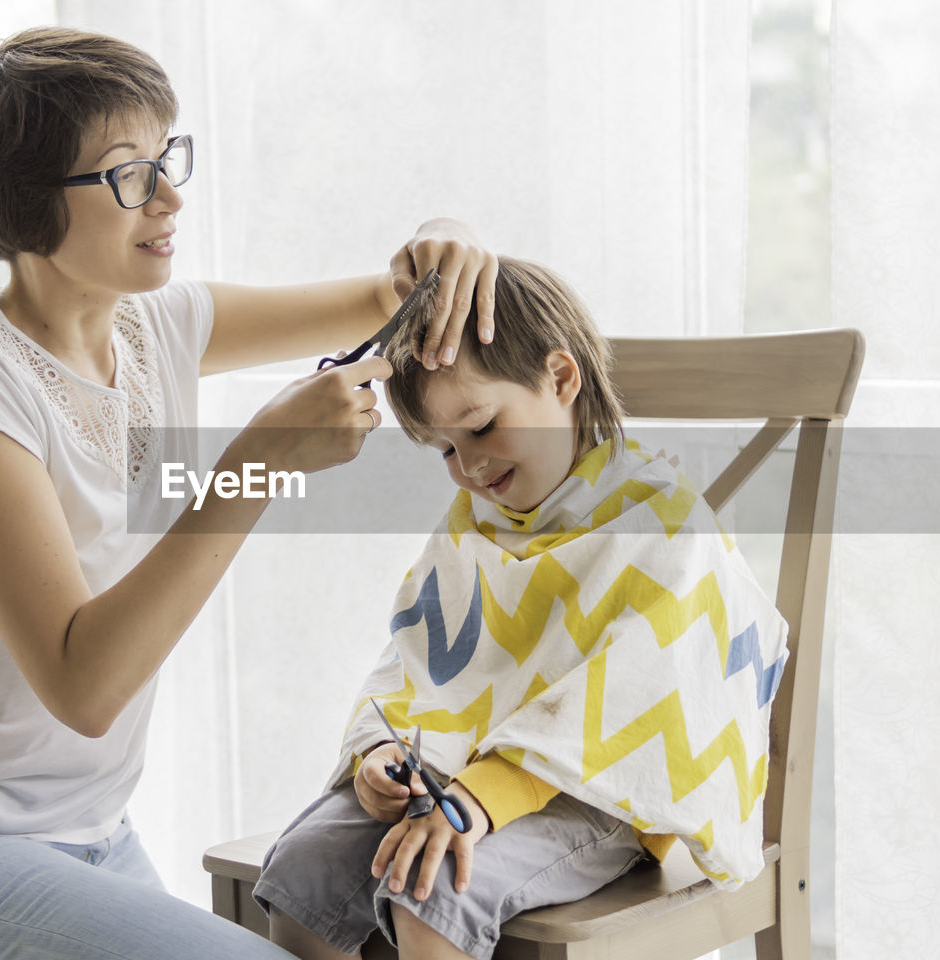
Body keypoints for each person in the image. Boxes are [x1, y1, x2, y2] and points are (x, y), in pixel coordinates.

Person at [0, 26, 500, 960]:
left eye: (165, 159)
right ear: (29, 209)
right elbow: (85, 685)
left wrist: (456, 240)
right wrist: (257, 462)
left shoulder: (158, 328)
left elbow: (395, 292)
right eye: (127, 175)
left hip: (96, 844)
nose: (170, 196)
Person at [254, 257, 790, 960]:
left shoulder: (664, 526)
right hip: (455, 764)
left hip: (595, 794)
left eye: (480, 426)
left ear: (561, 379)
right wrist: (380, 754)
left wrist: (485, 797)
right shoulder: (475, 519)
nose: (468, 466)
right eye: (444, 449)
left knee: (431, 887)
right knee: (302, 871)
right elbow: (415, 654)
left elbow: (640, 699)